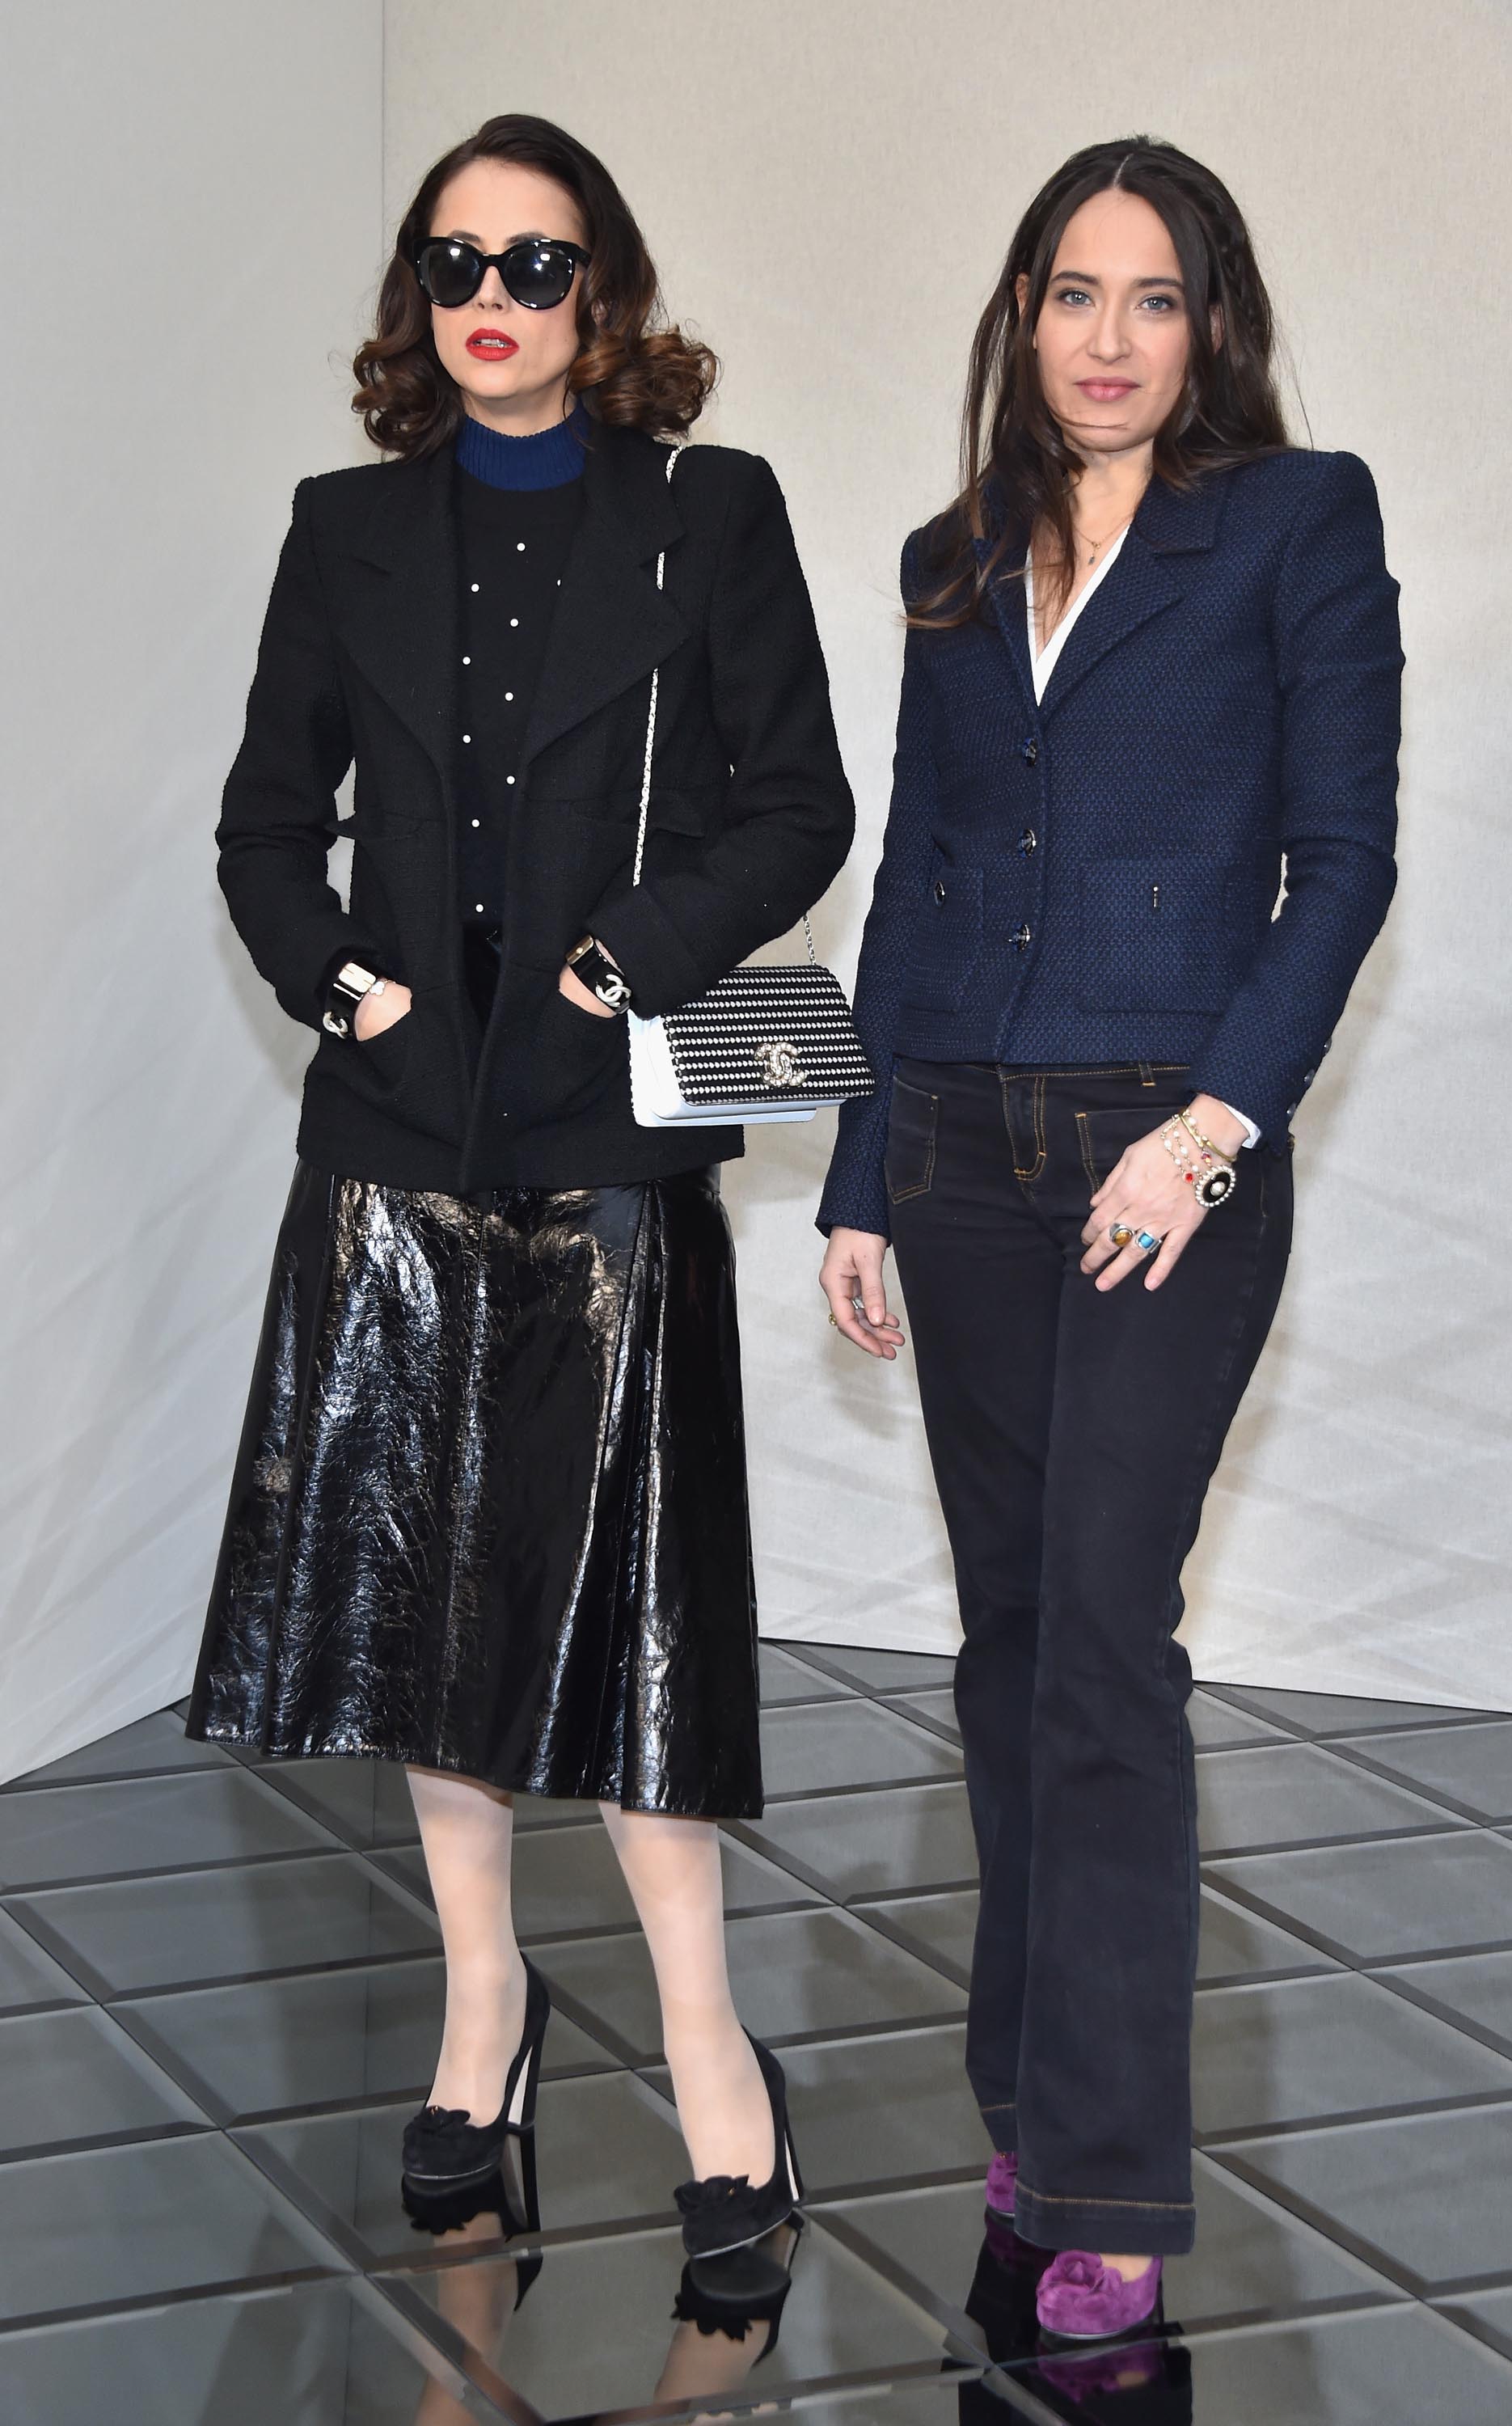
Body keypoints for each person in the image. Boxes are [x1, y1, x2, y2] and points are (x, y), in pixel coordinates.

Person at [188, 113, 851, 2254]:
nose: (494, 298)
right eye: (457, 260)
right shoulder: (344, 528)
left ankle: (708, 2043)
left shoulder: (708, 513)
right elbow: (265, 825)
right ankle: (482, 2008)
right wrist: (335, 984)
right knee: (421, 1611)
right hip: (396, 1139)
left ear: (609, 292)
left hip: (604, 1134)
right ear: (421, 293)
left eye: (539, 263)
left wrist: (632, 953)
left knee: (634, 1626)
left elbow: (799, 803)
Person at [818, 136, 1400, 2338]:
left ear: (1211, 325)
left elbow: (1341, 860)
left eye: (1156, 297)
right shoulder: (950, 561)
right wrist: (861, 1171)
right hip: (958, 1148)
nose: (1110, 336)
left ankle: (1121, 2196)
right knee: (1001, 1645)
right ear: (1024, 315)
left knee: (1103, 1657)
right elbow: (912, 884)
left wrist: (1216, 1128)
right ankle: (1029, 2098)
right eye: (1076, 292)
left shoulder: (1295, 523)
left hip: (1166, 1167)